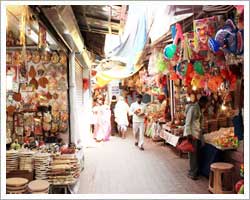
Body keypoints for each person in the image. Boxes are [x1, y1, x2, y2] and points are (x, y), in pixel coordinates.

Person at [184, 96, 208, 180]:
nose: (206, 106)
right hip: (193, 135)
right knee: (193, 155)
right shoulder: (193, 108)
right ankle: (192, 173)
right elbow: (188, 121)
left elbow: (199, 122)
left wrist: (202, 130)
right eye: (205, 104)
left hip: (197, 135)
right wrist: (189, 134)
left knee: (196, 154)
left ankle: (195, 171)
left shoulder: (200, 109)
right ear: (201, 102)